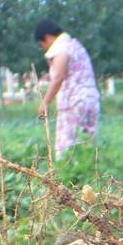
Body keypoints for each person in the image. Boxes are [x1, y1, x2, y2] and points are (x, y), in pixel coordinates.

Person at [34, 19, 101, 157]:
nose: (44, 47)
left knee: (66, 149)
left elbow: (58, 77)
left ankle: (64, 178)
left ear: (47, 38)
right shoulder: (74, 45)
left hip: (74, 103)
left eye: (43, 44)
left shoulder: (61, 48)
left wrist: (45, 103)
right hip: (90, 101)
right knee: (87, 148)